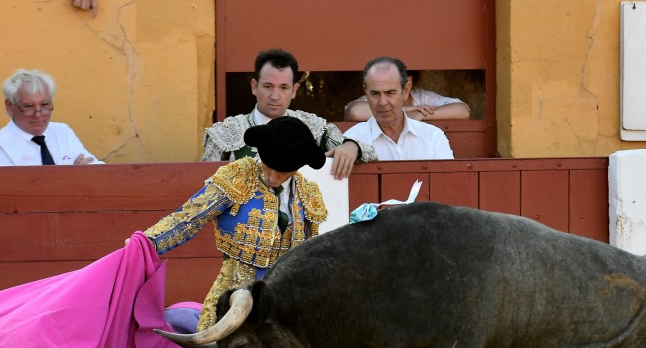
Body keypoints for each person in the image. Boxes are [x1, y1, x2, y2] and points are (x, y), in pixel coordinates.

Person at [146, 115, 327, 331]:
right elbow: (189, 218)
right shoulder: (239, 176)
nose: (272, 177)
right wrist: (147, 243)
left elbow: (309, 253)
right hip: (234, 295)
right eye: (269, 167)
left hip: (287, 300)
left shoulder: (308, 192)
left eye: (283, 172)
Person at [201, 48, 375, 180]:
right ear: (254, 87)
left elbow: (369, 152)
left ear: (294, 90)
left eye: (283, 88)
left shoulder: (314, 128)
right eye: (268, 86)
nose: (275, 96)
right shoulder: (224, 133)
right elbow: (204, 184)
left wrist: (352, 146)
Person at [342, 57, 455, 161]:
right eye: (375, 94)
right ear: (366, 93)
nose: (382, 102)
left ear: (405, 91)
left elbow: (447, 181)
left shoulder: (433, 137)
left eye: (390, 93)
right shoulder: (352, 138)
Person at [0, 69, 102, 167]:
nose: (38, 114)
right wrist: (73, 175)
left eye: (45, 104)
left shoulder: (62, 132)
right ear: (10, 106)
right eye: (28, 106)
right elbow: (18, 193)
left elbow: (99, 170)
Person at [343, 72, 470, 122]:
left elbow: (462, 110)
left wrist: (422, 114)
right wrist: (409, 110)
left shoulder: (421, 97)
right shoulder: (378, 96)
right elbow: (355, 112)